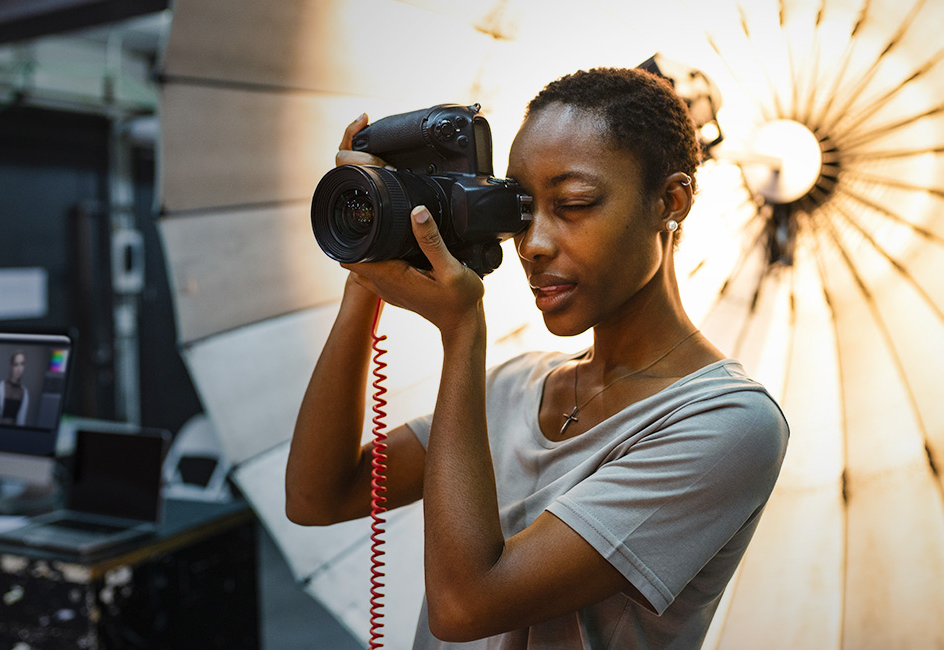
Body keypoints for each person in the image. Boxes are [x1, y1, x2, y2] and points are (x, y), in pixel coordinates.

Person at [287, 67, 789, 649]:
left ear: (670, 202)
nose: (534, 245)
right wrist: (367, 271)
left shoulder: (727, 425)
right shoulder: (514, 386)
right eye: (522, 210)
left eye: (574, 204)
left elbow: (464, 607)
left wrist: (461, 332)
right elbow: (316, 497)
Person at [0, 350, 29, 426]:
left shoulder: (24, 393)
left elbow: (21, 421)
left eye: (22, 364)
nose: (19, 369)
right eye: (16, 364)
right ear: (11, 366)